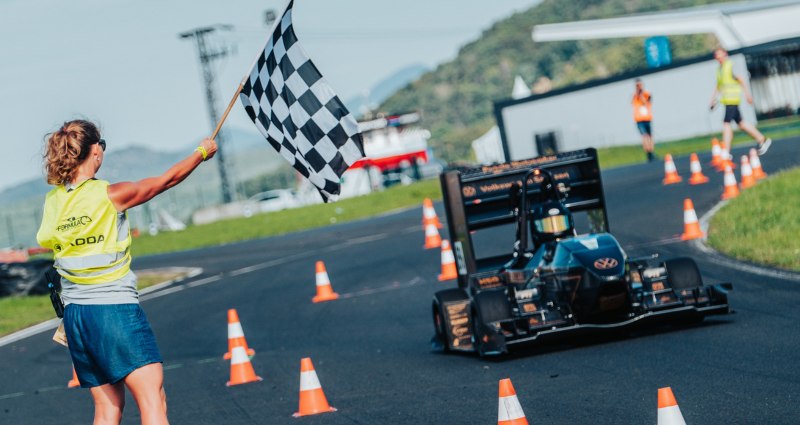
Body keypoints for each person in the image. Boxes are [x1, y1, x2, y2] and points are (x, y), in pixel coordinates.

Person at [36, 120, 217, 425]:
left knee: (108, 408)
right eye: (101, 146)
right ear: (94, 152)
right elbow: (167, 180)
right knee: (152, 399)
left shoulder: (54, 200)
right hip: (113, 310)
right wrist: (202, 152)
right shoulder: (110, 194)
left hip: (77, 316)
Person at [709, 47, 771, 155]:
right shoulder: (719, 69)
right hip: (727, 100)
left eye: (720, 56)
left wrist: (748, 95)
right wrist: (713, 99)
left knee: (726, 123)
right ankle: (762, 139)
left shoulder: (730, 66)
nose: (719, 58)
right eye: (717, 57)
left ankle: (726, 151)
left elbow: (741, 80)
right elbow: (719, 85)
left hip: (732, 99)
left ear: (725, 54)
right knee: (741, 124)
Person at [632, 79, 656, 162]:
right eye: (637, 86)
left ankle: (652, 152)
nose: (639, 87)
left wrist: (641, 94)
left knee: (650, 136)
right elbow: (633, 103)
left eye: (640, 85)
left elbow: (646, 103)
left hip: (647, 119)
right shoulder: (634, 96)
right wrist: (638, 93)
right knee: (645, 136)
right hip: (639, 120)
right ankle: (648, 153)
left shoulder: (646, 94)